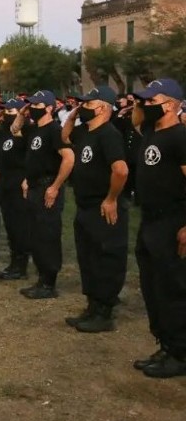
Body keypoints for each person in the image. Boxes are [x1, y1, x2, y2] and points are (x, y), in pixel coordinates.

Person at [129, 78, 186, 378]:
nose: (145, 105)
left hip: (172, 221)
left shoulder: (181, 136)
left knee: (173, 288)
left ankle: (179, 353)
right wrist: (141, 104)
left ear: (171, 104)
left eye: (152, 100)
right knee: (153, 287)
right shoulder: (150, 132)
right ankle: (165, 344)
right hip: (149, 220)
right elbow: (137, 118)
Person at [61, 86, 129, 332]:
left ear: (102, 107)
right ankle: (92, 307)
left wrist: (111, 199)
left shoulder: (108, 134)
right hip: (85, 206)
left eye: (87, 104)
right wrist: (73, 114)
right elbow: (65, 137)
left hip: (103, 206)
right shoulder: (85, 131)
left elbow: (120, 170)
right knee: (88, 258)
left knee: (105, 259)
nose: (82, 107)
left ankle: (104, 312)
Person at [13, 90, 74, 299]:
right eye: (32, 105)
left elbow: (68, 158)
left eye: (37, 106)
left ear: (49, 107)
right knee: (36, 235)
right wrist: (22, 114)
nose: (33, 109)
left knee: (48, 235)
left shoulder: (55, 130)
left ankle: (49, 282)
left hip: (48, 187)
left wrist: (56, 186)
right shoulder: (33, 129)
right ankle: (41, 279)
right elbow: (14, 130)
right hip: (33, 187)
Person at [0, 99, 31, 279]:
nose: (8, 113)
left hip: (18, 183)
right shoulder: (4, 132)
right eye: (5, 110)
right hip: (5, 183)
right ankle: (14, 263)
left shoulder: (25, 132)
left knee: (20, 226)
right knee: (10, 225)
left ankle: (20, 266)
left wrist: (21, 117)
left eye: (12, 110)